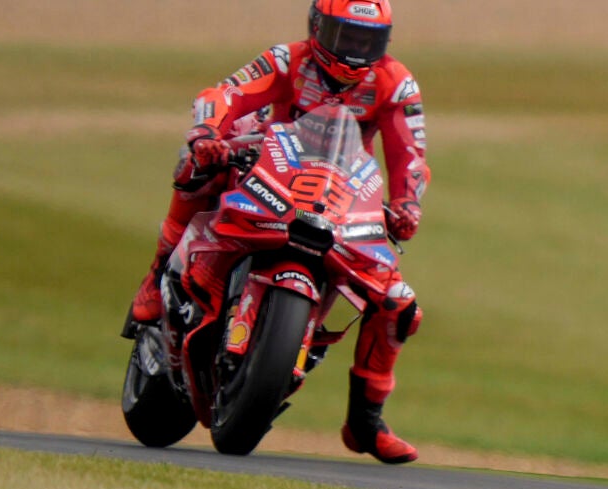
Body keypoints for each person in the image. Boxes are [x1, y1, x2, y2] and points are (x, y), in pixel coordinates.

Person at [126, 0, 430, 464]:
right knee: (195, 168)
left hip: (342, 192)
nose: (354, 50)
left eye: (366, 40)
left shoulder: (395, 83)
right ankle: (156, 275)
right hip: (270, 163)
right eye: (345, 36)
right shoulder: (289, 59)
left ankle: (366, 421)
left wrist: (407, 203)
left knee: (399, 304)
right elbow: (226, 93)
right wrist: (207, 134)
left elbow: (410, 155)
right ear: (317, 27)